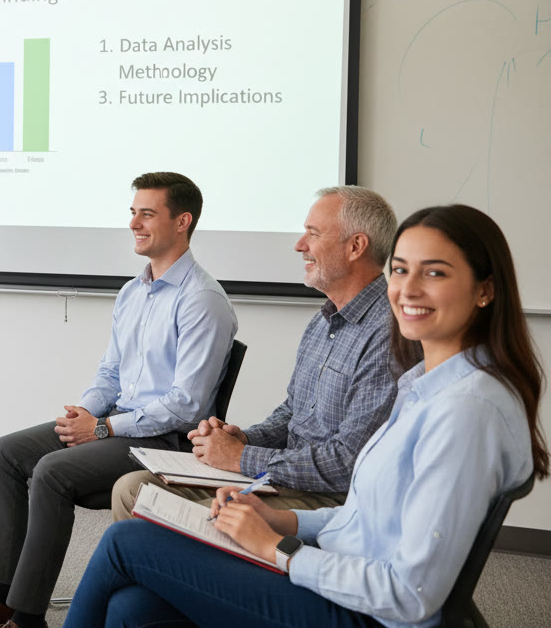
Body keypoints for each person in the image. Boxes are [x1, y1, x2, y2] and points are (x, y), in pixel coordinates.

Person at [62, 204, 547, 628]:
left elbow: (409, 595)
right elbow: (364, 517)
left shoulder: (466, 412)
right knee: (131, 607)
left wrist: (278, 548)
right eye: (400, 270)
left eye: (435, 273)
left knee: (126, 542)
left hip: (365, 612)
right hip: (343, 572)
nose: (407, 289)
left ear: (484, 291)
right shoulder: (425, 382)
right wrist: (281, 520)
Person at [0, 172, 238, 628]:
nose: (134, 223)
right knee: (5, 453)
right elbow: (110, 372)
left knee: (51, 472)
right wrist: (89, 411)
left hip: (166, 441)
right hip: (116, 422)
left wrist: (102, 428)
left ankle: (27, 617)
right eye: (133, 212)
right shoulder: (134, 292)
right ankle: (4, 596)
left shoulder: (202, 300)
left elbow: (186, 406)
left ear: (182, 222)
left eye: (147, 214)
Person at [112, 186, 399, 519]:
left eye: (313, 234)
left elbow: (347, 463)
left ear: (356, 246)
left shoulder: (388, 335)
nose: (299, 245)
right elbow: (293, 414)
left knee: (198, 515)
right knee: (134, 489)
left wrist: (241, 457)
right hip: (283, 475)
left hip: (332, 496)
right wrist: (245, 439)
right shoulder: (324, 321)